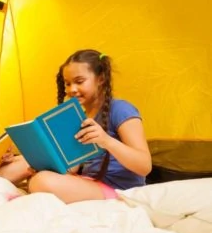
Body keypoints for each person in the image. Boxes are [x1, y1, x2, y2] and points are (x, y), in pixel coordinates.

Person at [28, 49, 152, 204]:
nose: (72, 89)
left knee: (41, 181)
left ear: (100, 79)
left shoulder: (121, 109)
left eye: (79, 82)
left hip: (120, 190)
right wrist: (47, 166)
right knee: (37, 176)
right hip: (90, 183)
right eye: (67, 83)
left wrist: (106, 140)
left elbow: (144, 166)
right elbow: (73, 169)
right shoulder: (80, 116)